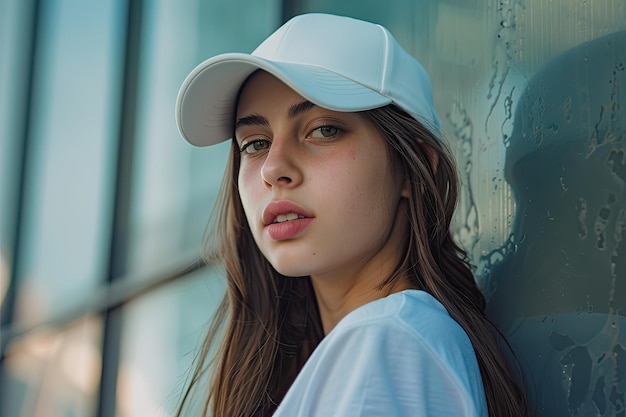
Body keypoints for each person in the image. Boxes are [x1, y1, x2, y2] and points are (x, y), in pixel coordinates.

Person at [174, 13, 528, 417]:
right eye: (255, 143)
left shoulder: (385, 343)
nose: (273, 169)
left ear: (416, 169)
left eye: (324, 130)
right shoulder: (383, 344)